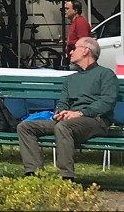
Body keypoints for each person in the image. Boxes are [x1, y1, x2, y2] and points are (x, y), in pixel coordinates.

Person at [17, 37, 117, 181]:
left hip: (95, 120)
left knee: (63, 127)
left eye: (75, 48)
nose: (71, 52)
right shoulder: (70, 79)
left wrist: (80, 113)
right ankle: (34, 174)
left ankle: (66, 177)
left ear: (85, 51)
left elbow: (107, 102)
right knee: (25, 127)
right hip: (70, 121)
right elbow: (63, 102)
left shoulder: (106, 74)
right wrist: (60, 113)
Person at [64, 0, 91, 66]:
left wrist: (68, 43)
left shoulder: (80, 22)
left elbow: (83, 42)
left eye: (67, 9)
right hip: (73, 60)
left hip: (79, 61)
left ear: (75, 10)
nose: (65, 11)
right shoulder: (74, 22)